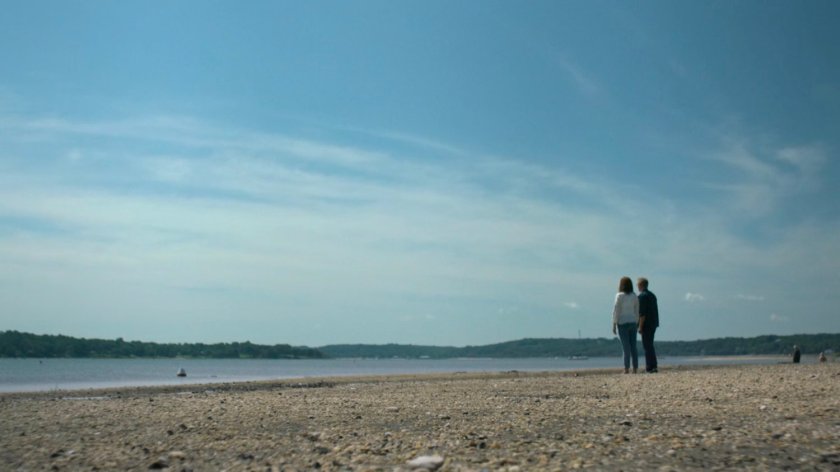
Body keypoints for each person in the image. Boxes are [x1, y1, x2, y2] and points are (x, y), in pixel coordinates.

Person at [612, 276, 639, 374]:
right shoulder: (634, 295)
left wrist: (614, 323)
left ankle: (626, 368)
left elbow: (616, 310)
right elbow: (637, 310)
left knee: (626, 347)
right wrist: (637, 322)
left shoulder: (619, 295)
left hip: (622, 322)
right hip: (632, 322)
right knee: (633, 346)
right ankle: (635, 368)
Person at [637, 277, 659, 373]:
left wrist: (640, 326)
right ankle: (653, 365)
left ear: (641, 285)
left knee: (647, 346)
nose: (637, 286)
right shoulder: (652, 295)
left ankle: (649, 366)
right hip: (654, 323)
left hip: (646, 324)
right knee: (650, 345)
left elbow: (642, 314)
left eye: (638, 284)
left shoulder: (642, 296)